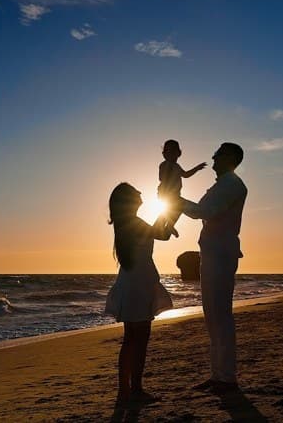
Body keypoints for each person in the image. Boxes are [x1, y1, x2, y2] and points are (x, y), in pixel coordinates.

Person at [178, 142, 247, 394]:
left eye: (218, 154)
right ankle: (219, 375)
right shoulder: (224, 185)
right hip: (213, 253)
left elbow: (203, 211)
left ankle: (226, 378)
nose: (213, 158)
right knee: (213, 315)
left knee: (220, 315)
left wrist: (176, 201)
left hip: (220, 254)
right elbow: (202, 211)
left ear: (230, 158)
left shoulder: (231, 185)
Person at [104, 183, 174, 406]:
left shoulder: (127, 223)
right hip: (138, 284)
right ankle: (133, 390)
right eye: (136, 193)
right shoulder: (133, 223)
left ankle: (127, 391)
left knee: (131, 339)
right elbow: (160, 234)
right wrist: (171, 211)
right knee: (139, 339)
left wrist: (167, 218)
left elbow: (159, 233)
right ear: (129, 200)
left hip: (132, 282)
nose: (140, 194)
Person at [158, 139, 207, 237]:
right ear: (165, 154)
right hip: (166, 193)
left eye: (175, 153)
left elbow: (185, 175)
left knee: (177, 209)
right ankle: (167, 226)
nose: (173, 156)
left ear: (178, 154)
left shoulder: (177, 166)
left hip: (175, 194)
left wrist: (196, 168)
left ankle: (169, 225)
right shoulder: (164, 164)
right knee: (175, 208)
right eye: (170, 153)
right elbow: (161, 178)